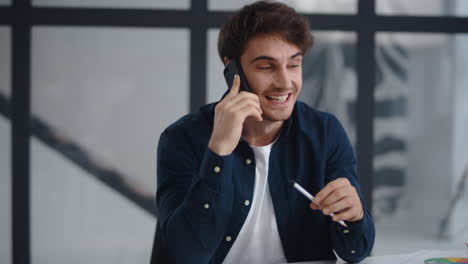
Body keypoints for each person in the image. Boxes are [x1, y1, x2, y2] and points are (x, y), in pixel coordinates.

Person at [151, 1, 375, 263]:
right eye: (266, 67)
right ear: (232, 69)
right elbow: (186, 254)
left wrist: (355, 215)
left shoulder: (324, 132)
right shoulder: (183, 138)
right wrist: (219, 150)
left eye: (294, 64)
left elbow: (356, 251)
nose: (285, 82)